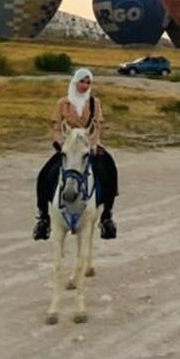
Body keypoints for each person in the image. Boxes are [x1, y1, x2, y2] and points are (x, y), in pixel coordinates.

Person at [33, 68, 119, 241]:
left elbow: (97, 127)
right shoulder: (62, 103)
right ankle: (43, 217)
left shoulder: (95, 102)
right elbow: (56, 127)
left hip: (88, 147)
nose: (85, 86)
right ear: (75, 82)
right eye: (82, 81)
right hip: (68, 147)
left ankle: (107, 217)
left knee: (109, 170)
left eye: (88, 82)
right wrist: (61, 143)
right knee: (45, 174)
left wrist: (94, 145)